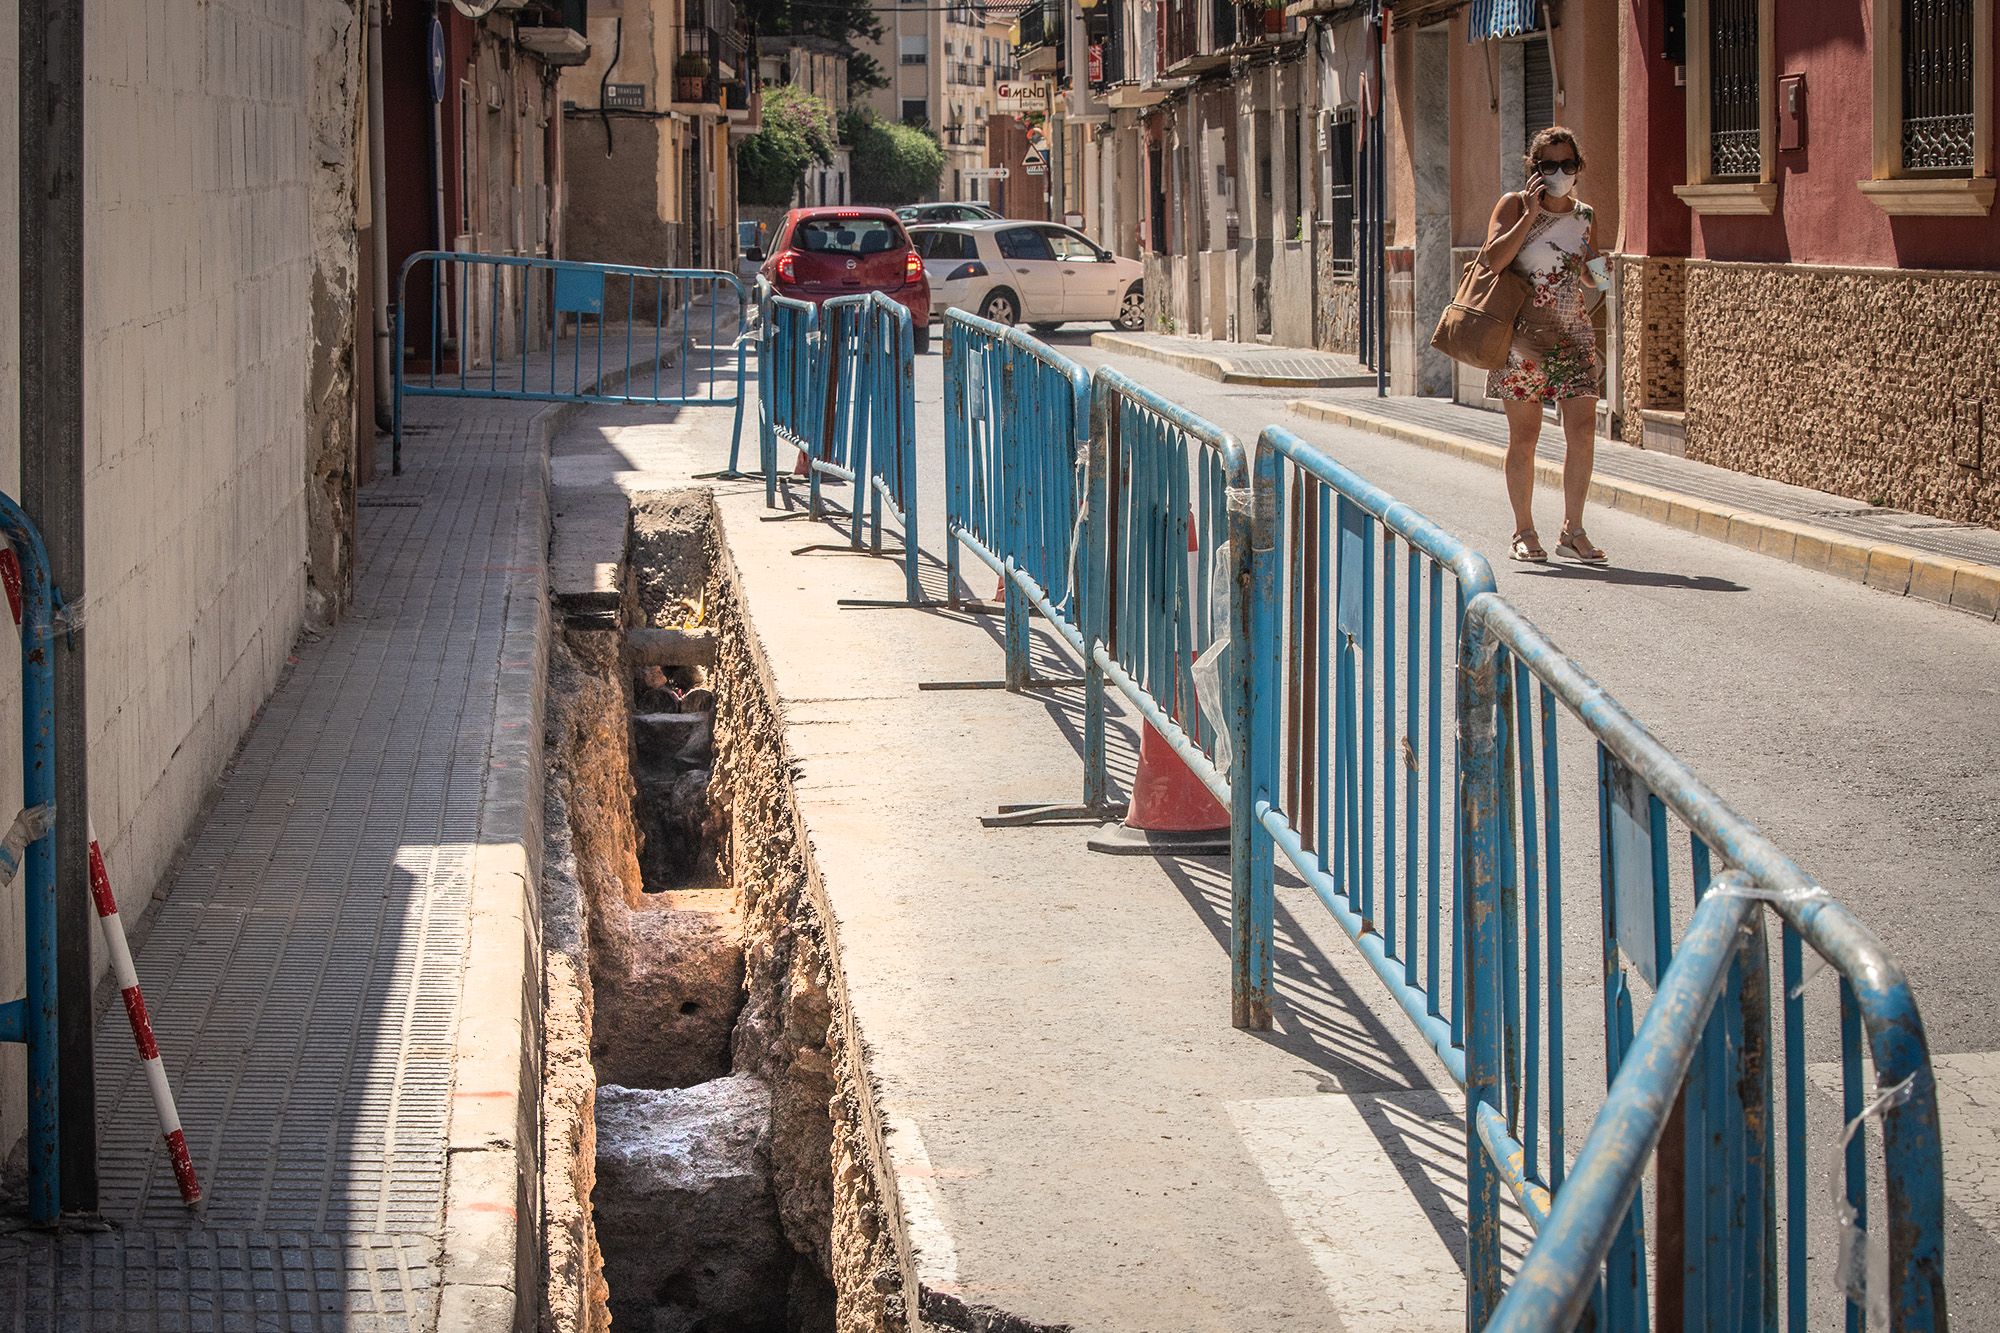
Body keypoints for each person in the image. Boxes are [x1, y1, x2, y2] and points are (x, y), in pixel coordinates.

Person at [1480, 126, 1609, 564]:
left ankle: (1573, 529)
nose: (1559, 172)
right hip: (1521, 338)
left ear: (1578, 168)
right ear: (1534, 169)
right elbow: (1492, 261)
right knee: (1526, 436)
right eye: (1548, 165)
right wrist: (1530, 215)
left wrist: (1600, 266)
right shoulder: (1514, 205)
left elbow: (1595, 276)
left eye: (1567, 165)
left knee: (1584, 431)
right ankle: (1523, 530)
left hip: (1572, 335)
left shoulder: (1585, 215)